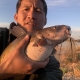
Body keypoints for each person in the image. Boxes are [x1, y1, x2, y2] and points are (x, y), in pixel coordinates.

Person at [0, 0, 63, 80]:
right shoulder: (1, 36)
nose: (31, 15)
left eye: (38, 11)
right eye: (26, 9)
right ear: (16, 17)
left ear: (45, 21)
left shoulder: (50, 62)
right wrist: (4, 71)